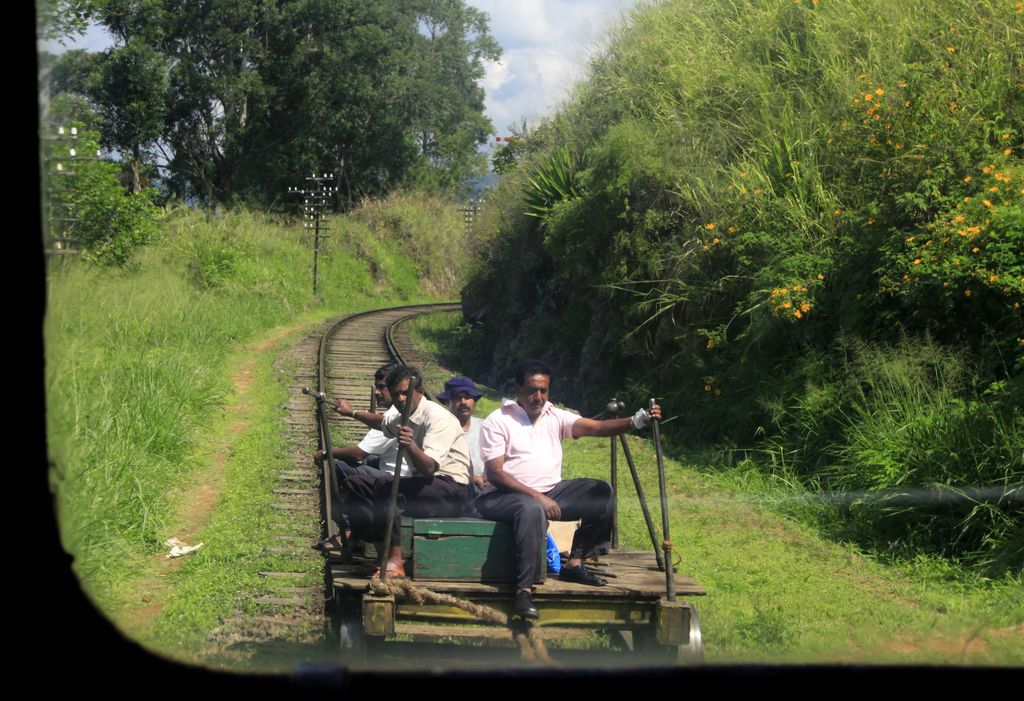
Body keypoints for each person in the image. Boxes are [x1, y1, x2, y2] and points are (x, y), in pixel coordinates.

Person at [476, 359, 660, 619]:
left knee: (600, 492)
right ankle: (523, 592)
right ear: (518, 389)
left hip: (548, 492)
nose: (538, 397)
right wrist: (537, 497)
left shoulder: (554, 415)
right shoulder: (499, 420)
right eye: (532, 390)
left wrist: (635, 421)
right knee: (531, 509)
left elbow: (595, 428)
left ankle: (576, 562)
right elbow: (495, 473)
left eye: (543, 390)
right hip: (502, 496)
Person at [331, 364, 472, 577]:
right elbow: (382, 423)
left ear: (420, 391)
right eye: (396, 394)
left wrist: (410, 445)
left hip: (452, 489)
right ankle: (380, 554)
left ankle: (395, 563)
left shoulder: (438, 418)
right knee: (355, 485)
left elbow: (429, 468)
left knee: (390, 491)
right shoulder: (402, 413)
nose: (401, 399)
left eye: (405, 393)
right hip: (425, 485)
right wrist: (352, 413)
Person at [437, 375, 486, 493]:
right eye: (458, 398)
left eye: (468, 397)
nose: (463, 402)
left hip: (488, 484)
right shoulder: (440, 429)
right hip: (456, 485)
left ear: (475, 401)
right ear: (448, 402)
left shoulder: (485, 426)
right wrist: (473, 478)